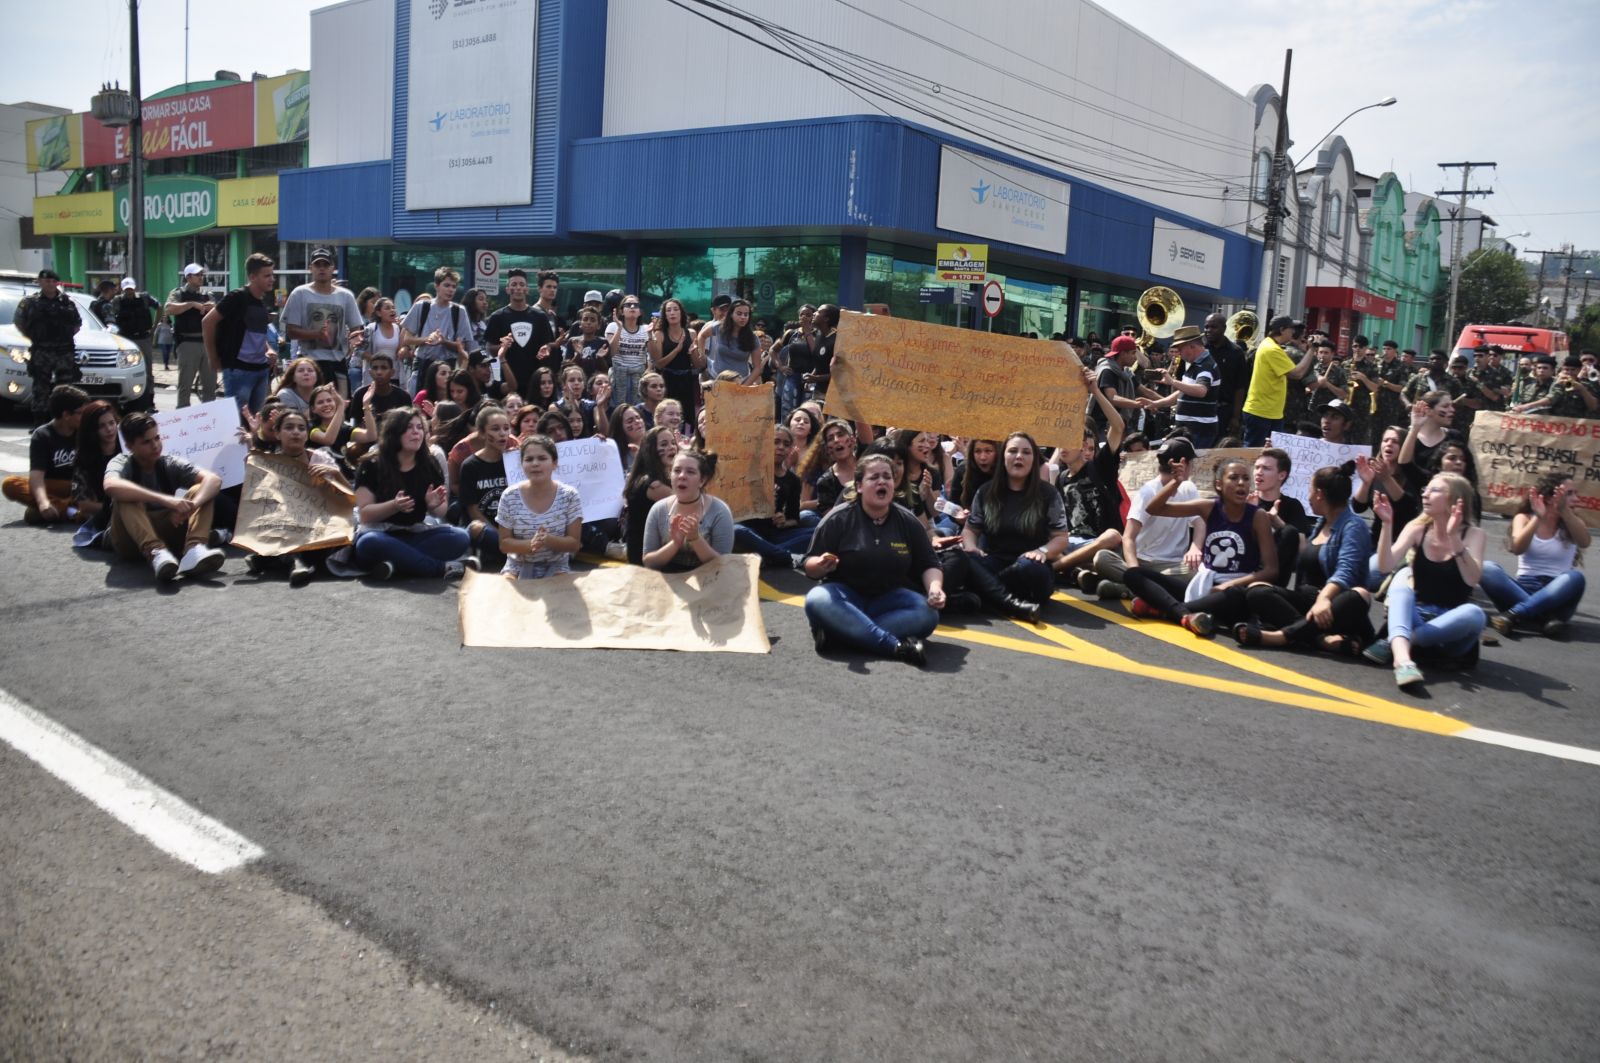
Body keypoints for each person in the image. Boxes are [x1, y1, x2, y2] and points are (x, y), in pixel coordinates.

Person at [801, 452, 945, 666]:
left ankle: (840, 633)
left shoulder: (907, 520)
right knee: (816, 599)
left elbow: (929, 563)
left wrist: (935, 588)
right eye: (874, 477)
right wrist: (821, 565)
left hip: (888, 599)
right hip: (845, 599)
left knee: (928, 614)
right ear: (859, 486)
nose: (882, 482)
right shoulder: (838, 518)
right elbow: (808, 566)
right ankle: (895, 647)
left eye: (887, 477)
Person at [1124, 458, 1277, 637]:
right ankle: (1186, 615)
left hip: (1232, 594)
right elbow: (1154, 509)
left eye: (1245, 478)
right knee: (1133, 574)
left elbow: (1271, 570)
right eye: (1234, 478)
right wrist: (1175, 483)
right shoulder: (1209, 507)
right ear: (1219, 485)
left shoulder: (1258, 516)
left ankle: (1166, 611)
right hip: (1203, 586)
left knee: (1234, 594)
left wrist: (1228, 585)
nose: (1241, 483)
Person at [1234, 464, 1375, 656]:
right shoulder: (1322, 523)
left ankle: (1280, 637)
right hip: (1309, 602)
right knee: (1256, 591)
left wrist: (1324, 599)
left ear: (1319, 494)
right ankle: (1318, 639)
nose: (1308, 497)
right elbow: (1303, 556)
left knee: (1360, 594)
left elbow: (1346, 572)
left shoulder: (1354, 527)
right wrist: (1275, 524)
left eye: (1310, 490)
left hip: (1336, 606)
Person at [1365, 472, 1487, 689]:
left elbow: (1471, 579)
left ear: (1455, 499)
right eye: (1425, 490)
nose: (1425, 495)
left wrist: (1454, 538)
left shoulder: (1474, 534)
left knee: (1475, 614)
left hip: (1450, 631)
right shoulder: (1418, 528)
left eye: (1434, 490)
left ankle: (1403, 641)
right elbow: (1385, 566)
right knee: (1402, 575)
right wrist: (1387, 524)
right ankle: (1403, 661)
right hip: (1416, 616)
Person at [352, 408, 475, 581]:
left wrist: (433, 506)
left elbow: (441, 511)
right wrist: (394, 506)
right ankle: (441, 568)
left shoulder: (430, 463)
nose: (416, 432)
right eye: (409, 427)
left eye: (419, 427)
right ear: (394, 432)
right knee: (369, 543)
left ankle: (395, 563)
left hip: (415, 533)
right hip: (380, 533)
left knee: (460, 537)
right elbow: (365, 514)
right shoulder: (371, 464)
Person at [102, 411, 226, 581]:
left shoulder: (168, 462)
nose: (155, 445)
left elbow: (214, 480)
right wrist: (165, 500)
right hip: (129, 539)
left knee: (201, 490)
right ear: (130, 446)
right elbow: (110, 486)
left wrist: (192, 506)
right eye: (146, 442)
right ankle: (155, 552)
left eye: (157, 438)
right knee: (127, 495)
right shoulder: (121, 462)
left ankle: (194, 550)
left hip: (168, 532)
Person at [960, 432, 1070, 621]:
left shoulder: (1048, 494)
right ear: (1003, 457)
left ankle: (986, 593)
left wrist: (1042, 551)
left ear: (1034, 459)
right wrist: (970, 546)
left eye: (1026, 452)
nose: (1019, 456)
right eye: (1012, 451)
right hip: (993, 562)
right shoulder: (986, 492)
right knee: (960, 557)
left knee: (1030, 567)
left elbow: (1061, 538)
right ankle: (1005, 600)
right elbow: (970, 529)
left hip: (1030, 567)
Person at [242, 408, 353, 587]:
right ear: (277, 433)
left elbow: (350, 499)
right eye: (289, 427)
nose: (296, 432)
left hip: (320, 522)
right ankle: (296, 561)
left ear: (307, 435)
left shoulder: (320, 458)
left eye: (301, 428)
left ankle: (271, 559)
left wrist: (335, 474)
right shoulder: (268, 463)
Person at [1091, 436, 1204, 601]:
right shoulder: (1148, 492)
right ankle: (1144, 588)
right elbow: (1128, 538)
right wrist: (1134, 572)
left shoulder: (1189, 488)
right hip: (1142, 562)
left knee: (1197, 575)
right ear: (1183, 464)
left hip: (1173, 566)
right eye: (1191, 462)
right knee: (1102, 558)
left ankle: (1128, 590)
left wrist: (1195, 548)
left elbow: (1199, 523)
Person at [1480, 472, 1589, 639]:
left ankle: (1514, 614)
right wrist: (1538, 517)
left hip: (1558, 597)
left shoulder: (1573, 522)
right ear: (1550, 498)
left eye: (1575, 493)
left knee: (1575, 578)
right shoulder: (1524, 518)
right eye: (1569, 494)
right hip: (1523, 588)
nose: (1576, 499)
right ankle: (1544, 618)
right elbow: (1517, 548)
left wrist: (1565, 512)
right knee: (1486, 568)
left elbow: (1584, 542)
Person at [496, 435, 584, 580]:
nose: (535, 464)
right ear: (522, 464)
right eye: (529, 459)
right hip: (518, 565)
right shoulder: (509, 496)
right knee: (505, 590)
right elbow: (504, 544)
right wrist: (530, 544)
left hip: (556, 566)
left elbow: (574, 544)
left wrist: (548, 540)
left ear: (554, 463)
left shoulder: (570, 495)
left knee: (561, 591)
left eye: (542, 458)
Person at [280, 248, 364, 396]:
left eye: (325, 265)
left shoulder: (346, 296)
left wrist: (355, 340)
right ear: (310, 268)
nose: (322, 268)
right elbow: (291, 331)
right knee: (309, 405)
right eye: (317, 265)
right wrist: (317, 334)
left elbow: (356, 328)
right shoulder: (299, 293)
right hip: (309, 363)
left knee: (342, 404)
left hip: (338, 363)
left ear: (333, 268)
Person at [203, 252, 278, 414]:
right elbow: (208, 322)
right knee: (237, 421)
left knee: (256, 421)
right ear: (252, 277)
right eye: (267, 275)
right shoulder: (237, 297)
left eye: (272, 275)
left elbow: (256, 334)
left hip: (261, 370)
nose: (272, 279)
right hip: (239, 370)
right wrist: (213, 357)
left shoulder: (261, 302)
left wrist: (269, 350)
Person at [4, 384, 88, 523]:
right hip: (51, 486)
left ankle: (55, 509)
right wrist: (43, 502)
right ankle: (70, 511)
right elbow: (37, 477)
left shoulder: (85, 432)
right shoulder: (42, 435)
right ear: (66, 415)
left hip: (79, 486)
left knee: (33, 515)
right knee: (10, 484)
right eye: (81, 413)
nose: (85, 417)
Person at [733, 423, 814, 567]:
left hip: (775, 534)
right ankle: (783, 556)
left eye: (786, 444)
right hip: (751, 532)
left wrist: (783, 521)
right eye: (776, 442)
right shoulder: (750, 472)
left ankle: (766, 555)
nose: (781, 447)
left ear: (790, 449)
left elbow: (794, 519)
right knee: (736, 531)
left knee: (816, 533)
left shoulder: (793, 480)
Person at [641, 449, 735, 570]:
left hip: (709, 579)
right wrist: (675, 544)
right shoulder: (658, 509)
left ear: (702, 480)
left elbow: (723, 565)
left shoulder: (719, 511)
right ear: (670, 475)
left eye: (690, 472)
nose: (682, 476)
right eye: (677, 470)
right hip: (668, 578)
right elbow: (649, 562)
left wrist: (696, 539)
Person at [13, 268, 82, 425]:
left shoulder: (67, 302)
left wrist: (63, 337)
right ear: (40, 282)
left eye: (53, 281)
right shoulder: (30, 302)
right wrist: (35, 337)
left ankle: (64, 420)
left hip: (64, 351)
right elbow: (19, 322)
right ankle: (40, 422)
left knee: (65, 388)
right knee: (40, 386)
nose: (50, 284)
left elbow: (77, 324)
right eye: (46, 281)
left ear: (57, 283)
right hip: (42, 350)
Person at [1240, 316, 1317, 446]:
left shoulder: (1269, 344)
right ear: (1282, 330)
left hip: (1271, 411)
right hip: (1262, 411)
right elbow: (1297, 374)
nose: (1293, 332)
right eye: (1291, 329)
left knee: (1272, 451)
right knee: (1254, 451)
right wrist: (1312, 349)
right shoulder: (1272, 349)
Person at [459, 404, 516, 561]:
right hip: (488, 529)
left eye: (506, 428)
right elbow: (473, 510)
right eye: (495, 429)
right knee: (477, 529)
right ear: (482, 433)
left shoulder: (515, 461)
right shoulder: (470, 466)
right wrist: (501, 537)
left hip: (513, 530)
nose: (502, 433)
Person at [485, 269, 555, 394]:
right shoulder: (497, 317)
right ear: (507, 289)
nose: (518, 288)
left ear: (527, 289)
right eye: (514, 284)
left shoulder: (540, 317)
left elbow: (548, 344)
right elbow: (490, 348)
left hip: (534, 382)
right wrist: (503, 347)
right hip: (507, 382)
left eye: (522, 284)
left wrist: (546, 349)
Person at [1152, 325, 1222, 448]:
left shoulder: (1206, 366)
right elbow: (1183, 392)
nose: (1179, 353)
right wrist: (1156, 403)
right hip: (1189, 429)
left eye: (1180, 349)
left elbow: (1201, 391)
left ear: (1192, 346)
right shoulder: (1196, 364)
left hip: (1199, 430)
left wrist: (1172, 382)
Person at [401, 267, 474, 385]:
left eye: (454, 286)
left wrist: (444, 341)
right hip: (423, 364)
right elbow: (407, 339)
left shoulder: (459, 311)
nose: (450, 290)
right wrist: (427, 339)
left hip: (447, 365)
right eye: (447, 285)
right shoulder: (421, 306)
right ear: (437, 286)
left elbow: (462, 346)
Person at [623, 425, 678, 565]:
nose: (671, 447)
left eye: (673, 443)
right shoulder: (653, 485)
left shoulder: (657, 476)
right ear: (651, 450)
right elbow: (688, 503)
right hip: (646, 556)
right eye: (664, 444)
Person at [166, 263, 216, 407]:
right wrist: (192, 304)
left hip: (207, 343)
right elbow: (169, 308)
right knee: (185, 385)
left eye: (202, 275)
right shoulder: (178, 293)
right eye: (197, 275)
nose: (201, 277)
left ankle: (210, 416)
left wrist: (213, 308)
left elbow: (221, 313)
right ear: (188, 277)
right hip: (187, 343)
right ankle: (183, 414)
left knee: (210, 386)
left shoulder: (207, 295)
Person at [648, 297, 704, 423]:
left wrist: (693, 352)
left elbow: (697, 365)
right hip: (667, 379)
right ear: (665, 315)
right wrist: (677, 350)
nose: (672, 313)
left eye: (675, 309)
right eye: (668, 310)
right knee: (668, 416)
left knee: (687, 419)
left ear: (681, 313)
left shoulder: (691, 333)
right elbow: (659, 364)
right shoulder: (659, 334)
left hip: (686, 380)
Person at [70, 399, 121, 535]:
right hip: (107, 515)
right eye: (102, 426)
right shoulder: (84, 459)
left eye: (112, 423)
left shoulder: (128, 449)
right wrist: (119, 508)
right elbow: (84, 505)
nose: (109, 429)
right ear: (92, 430)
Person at [111, 277, 160, 399]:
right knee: (126, 368)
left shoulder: (144, 298)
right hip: (126, 340)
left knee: (147, 369)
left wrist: (154, 327)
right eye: (127, 289)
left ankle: (149, 398)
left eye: (131, 289)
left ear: (135, 288)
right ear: (123, 289)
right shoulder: (117, 301)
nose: (129, 292)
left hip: (143, 338)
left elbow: (159, 307)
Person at [605, 294, 651, 406]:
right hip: (618, 374)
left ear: (640, 312)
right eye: (628, 305)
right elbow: (612, 352)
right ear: (621, 311)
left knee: (637, 408)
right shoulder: (613, 326)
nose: (632, 307)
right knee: (618, 409)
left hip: (639, 375)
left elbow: (650, 355)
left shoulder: (646, 329)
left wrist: (649, 369)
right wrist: (620, 328)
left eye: (635, 305)